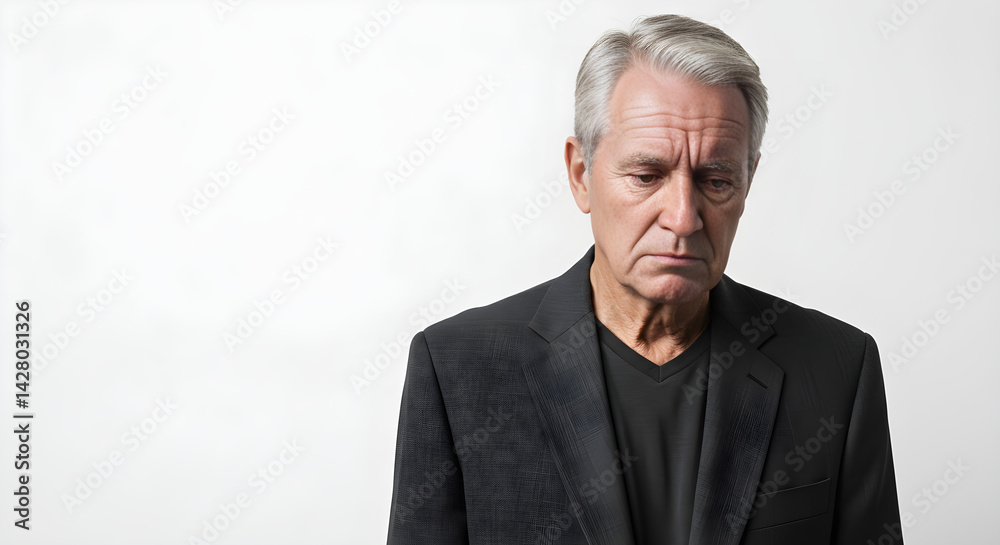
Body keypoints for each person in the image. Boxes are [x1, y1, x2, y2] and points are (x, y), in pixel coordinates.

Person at [387, 14, 902, 545]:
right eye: (646, 175)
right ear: (581, 175)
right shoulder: (456, 369)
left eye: (716, 179)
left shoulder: (838, 367)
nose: (683, 217)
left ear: (748, 184)